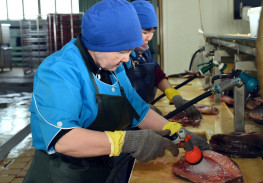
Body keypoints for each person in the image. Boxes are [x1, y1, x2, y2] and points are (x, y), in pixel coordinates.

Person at [22, 1, 209, 183]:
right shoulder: (59, 71)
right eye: (121, 51)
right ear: (99, 43)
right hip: (61, 174)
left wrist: (177, 132)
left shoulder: (114, 68)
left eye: (129, 51)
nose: (127, 58)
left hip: (102, 168)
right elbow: (64, 139)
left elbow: (139, 111)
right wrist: (128, 141)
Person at [124, 0, 202, 120]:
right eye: (145, 32)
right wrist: (138, 107)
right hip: (129, 117)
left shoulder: (144, 50)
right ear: (132, 28)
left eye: (153, 31)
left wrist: (173, 95)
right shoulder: (122, 55)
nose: (150, 37)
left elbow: (156, 73)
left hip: (145, 114)